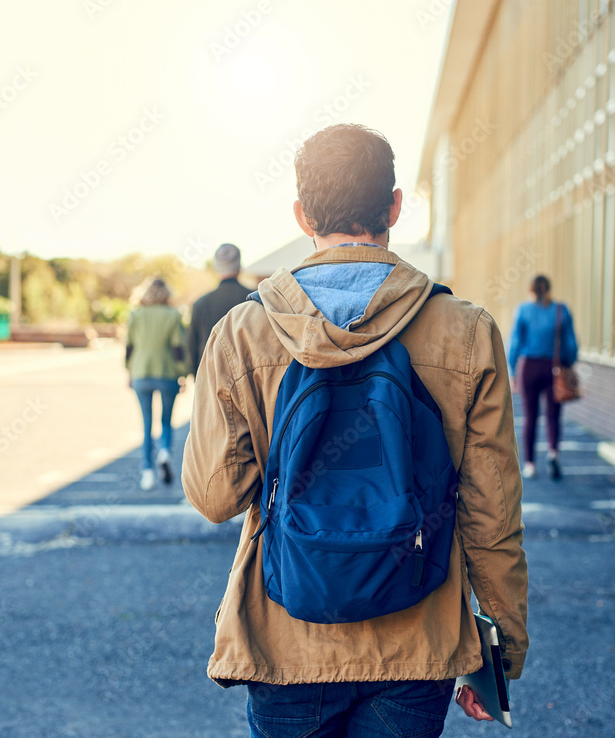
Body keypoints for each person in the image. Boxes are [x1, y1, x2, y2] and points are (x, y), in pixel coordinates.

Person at [182, 124, 528, 736]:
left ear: (301, 214)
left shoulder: (245, 331)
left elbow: (215, 497)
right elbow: (491, 513)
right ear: (394, 206)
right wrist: (498, 652)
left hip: (286, 641)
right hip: (417, 640)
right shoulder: (466, 330)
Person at [508, 274, 578, 481]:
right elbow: (571, 345)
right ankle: (553, 452)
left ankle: (529, 464)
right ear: (549, 289)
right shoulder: (561, 310)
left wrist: (512, 370)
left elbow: (515, 343)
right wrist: (568, 363)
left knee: (530, 416)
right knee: (554, 415)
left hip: (529, 367)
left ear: (530, 290)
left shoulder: (523, 310)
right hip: (554, 367)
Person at [125, 278, 186, 491]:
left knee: (147, 424)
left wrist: (129, 371)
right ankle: (164, 452)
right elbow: (178, 347)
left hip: (141, 373)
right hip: (167, 373)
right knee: (166, 421)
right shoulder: (173, 315)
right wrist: (182, 374)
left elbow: (129, 347)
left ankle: (148, 473)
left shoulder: (135, 315)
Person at [187, 243, 251, 379]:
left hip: (210, 376)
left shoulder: (200, 304)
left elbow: (192, 345)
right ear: (239, 266)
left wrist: (196, 377)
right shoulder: (254, 299)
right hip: (247, 377)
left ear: (216, 268)